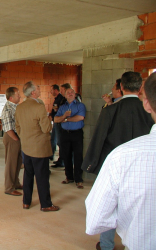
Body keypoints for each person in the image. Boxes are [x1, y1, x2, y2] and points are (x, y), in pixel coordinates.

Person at [82, 71, 153, 250]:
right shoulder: (147, 111)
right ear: (140, 88)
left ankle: (106, 245)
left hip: (115, 162)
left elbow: (99, 137)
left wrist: (90, 163)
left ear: (121, 87)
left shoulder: (111, 109)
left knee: (110, 204)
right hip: (145, 166)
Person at [15, 81, 59, 211]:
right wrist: (49, 121)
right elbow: (46, 128)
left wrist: (25, 137)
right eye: (38, 88)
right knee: (42, 177)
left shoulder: (20, 107)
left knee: (28, 174)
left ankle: (26, 202)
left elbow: (18, 127)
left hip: (27, 146)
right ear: (33, 92)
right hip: (39, 148)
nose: (40, 90)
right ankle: (46, 204)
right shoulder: (39, 107)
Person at [55, 88, 86, 189]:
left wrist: (66, 119)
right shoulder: (62, 107)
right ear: (65, 95)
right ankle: (69, 177)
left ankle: (78, 179)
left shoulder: (80, 105)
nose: (70, 94)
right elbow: (56, 119)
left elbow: (80, 117)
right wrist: (63, 116)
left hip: (77, 133)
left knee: (78, 156)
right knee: (66, 155)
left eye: (72, 92)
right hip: (65, 134)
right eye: (68, 93)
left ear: (75, 94)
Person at [1, 87, 23, 196]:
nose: (20, 96)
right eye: (17, 94)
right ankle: (9, 188)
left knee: (18, 162)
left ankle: (16, 182)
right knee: (11, 163)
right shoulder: (8, 108)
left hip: (17, 137)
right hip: (12, 137)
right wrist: (16, 140)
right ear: (11, 97)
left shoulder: (16, 106)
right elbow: (8, 128)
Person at [49, 84, 64, 166]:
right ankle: (51, 155)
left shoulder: (61, 99)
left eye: (51, 90)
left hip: (59, 122)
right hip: (55, 121)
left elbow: (59, 110)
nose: (50, 92)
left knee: (59, 141)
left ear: (55, 90)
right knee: (53, 139)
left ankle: (61, 160)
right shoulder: (57, 99)